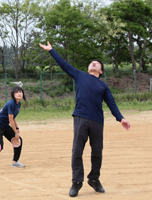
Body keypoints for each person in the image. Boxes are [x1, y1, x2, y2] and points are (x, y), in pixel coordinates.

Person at [39, 42, 131, 197]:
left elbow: (111, 104)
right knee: (77, 150)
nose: (94, 63)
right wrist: (51, 51)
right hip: (81, 117)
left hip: (97, 121)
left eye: (97, 63)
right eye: (92, 62)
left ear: (100, 71)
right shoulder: (79, 75)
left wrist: (120, 118)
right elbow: (63, 64)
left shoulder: (103, 86)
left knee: (97, 152)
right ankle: (76, 182)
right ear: (89, 68)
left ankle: (94, 179)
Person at [0, 86, 26, 171]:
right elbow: (10, 120)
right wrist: (16, 133)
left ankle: (15, 162)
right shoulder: (11, 103)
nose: (19, 94)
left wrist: (17, 127)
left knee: (19, 141)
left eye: (21, 92)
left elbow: (13, 116)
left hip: (4, 126)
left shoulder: (18, 103)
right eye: (17, 92)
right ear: (13, 94)